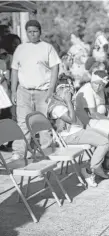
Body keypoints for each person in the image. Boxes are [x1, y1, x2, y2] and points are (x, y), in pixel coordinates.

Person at [11, 20, 61, 160]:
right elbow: (14, 70)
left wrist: (51, 88)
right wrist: (13, 91)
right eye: (29, 32)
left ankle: (45, 150)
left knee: (42, 122)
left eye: (35, 31)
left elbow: (55, 67)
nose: (32, 34)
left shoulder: (47, 48)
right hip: (23, 91)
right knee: (22, 122)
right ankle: (20, 151)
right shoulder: (20, 49)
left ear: (40, 32)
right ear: (26, 33)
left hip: (42, 91)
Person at [48, 78, 109, 186]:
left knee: (107, 135)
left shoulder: (61, 101)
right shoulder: (57, 107)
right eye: (69, 90)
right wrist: (68, 101)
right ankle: (91, 169)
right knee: (104, 142)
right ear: (61, 90)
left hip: (77, 130)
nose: (71, 92)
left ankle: (99, 163)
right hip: (69, 136)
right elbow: (71, 120)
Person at [75, 70, 109, 136]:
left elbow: (102, 107)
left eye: (101, 85)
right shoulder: (87, 89)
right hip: (86, 122)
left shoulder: (101, 90)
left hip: (97, 120)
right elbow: (93, 114)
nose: (98, 87)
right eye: (95, 83)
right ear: (91, 81)